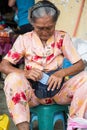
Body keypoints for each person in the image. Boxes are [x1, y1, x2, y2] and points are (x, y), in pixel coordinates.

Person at [0, 1, 87, 130]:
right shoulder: (24, 39)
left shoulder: (62, 37)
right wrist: (25, 73)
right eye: (40, 28)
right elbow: (4, 65)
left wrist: (61, 73)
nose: (45, 32)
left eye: (49, 27)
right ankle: (23, 128)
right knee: (13, 79)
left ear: (55, 23)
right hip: (32, 94)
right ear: (33, 24)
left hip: (59, 93)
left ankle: (75, 126)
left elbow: (79, 64)